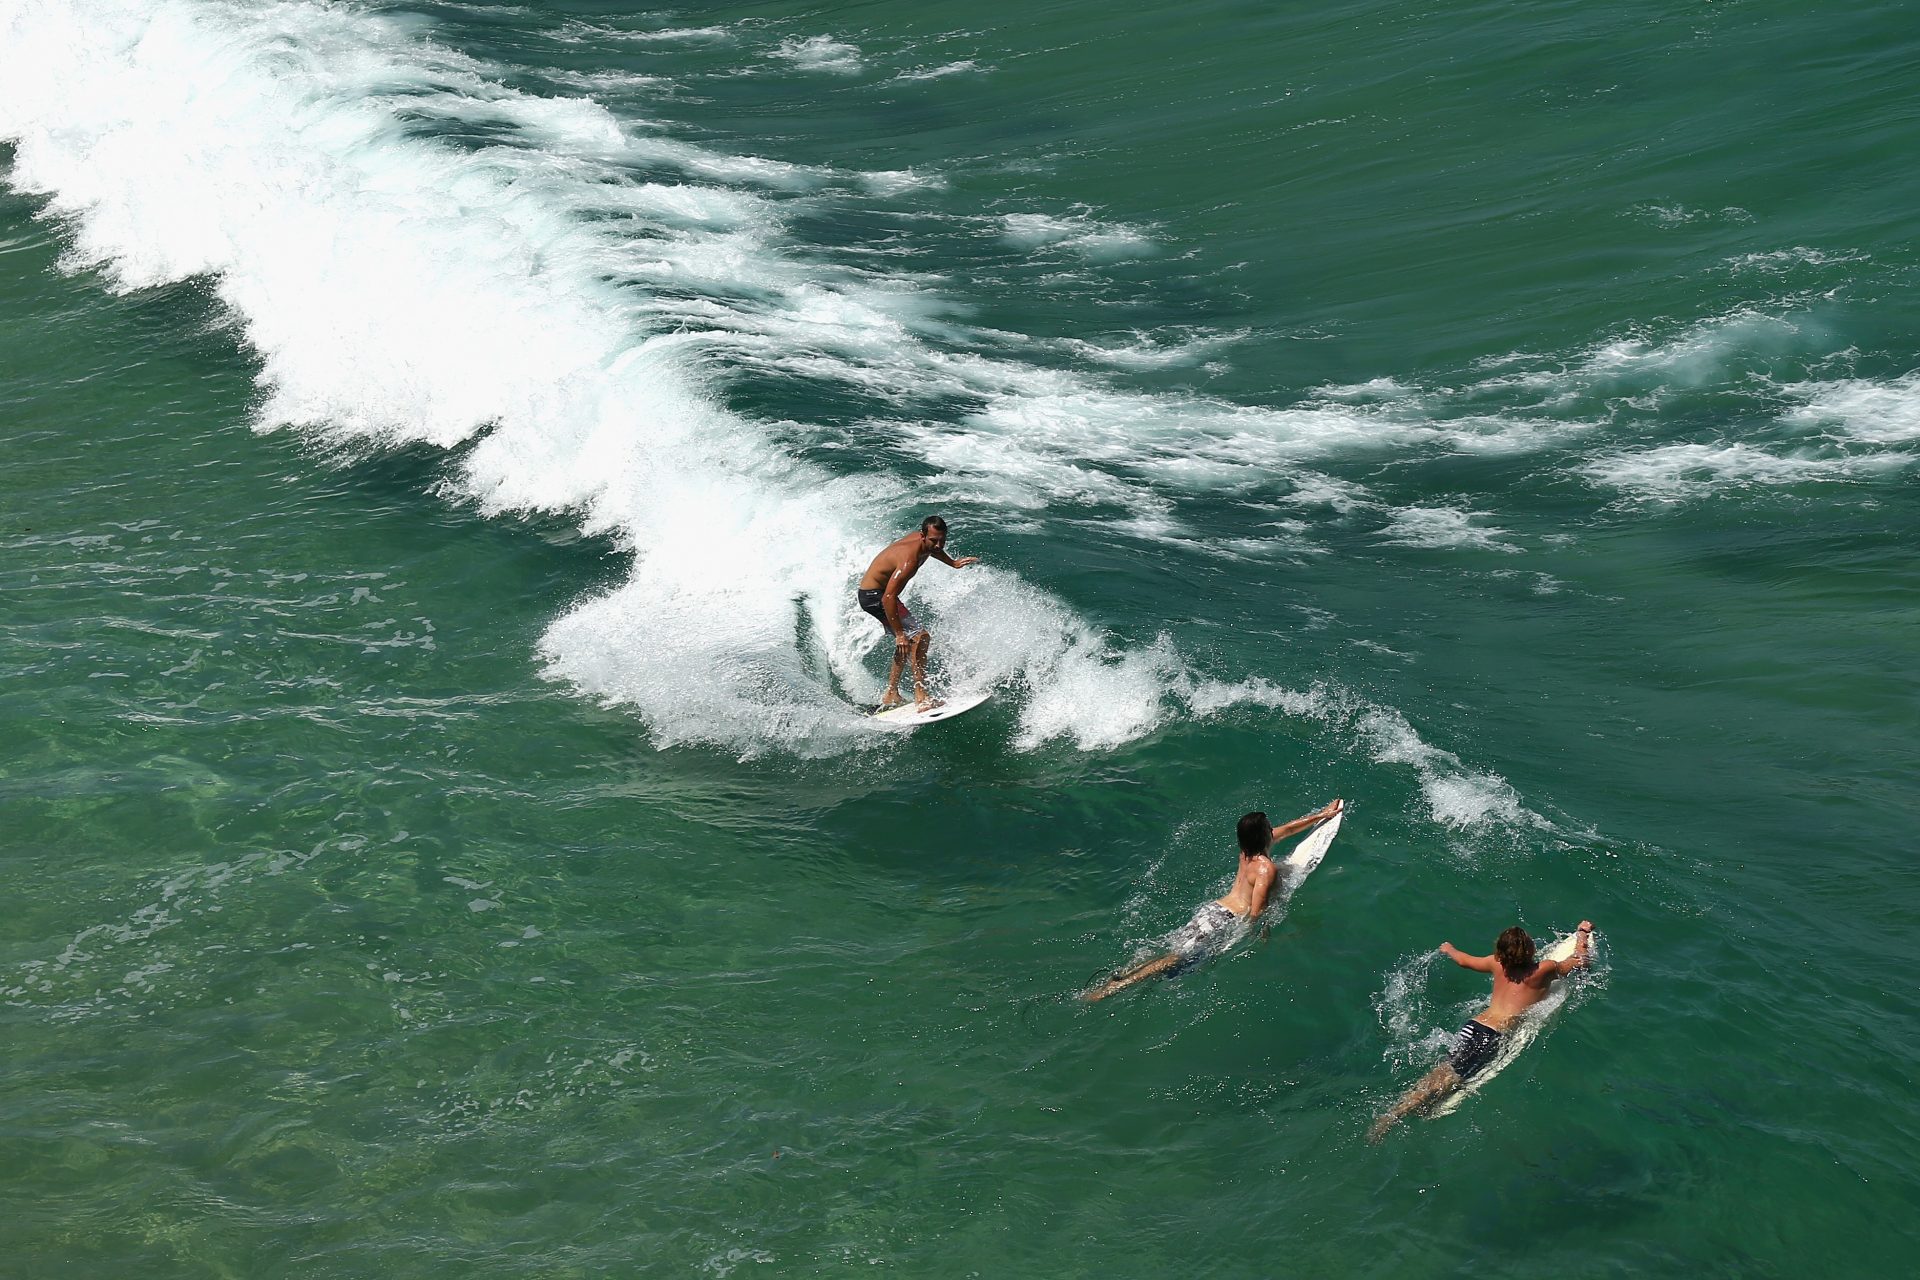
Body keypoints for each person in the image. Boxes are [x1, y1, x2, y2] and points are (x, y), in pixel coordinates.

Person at [1083, 800, 1344, 1001]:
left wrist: (1322, 815)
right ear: (1264, 835)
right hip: (1223, 922)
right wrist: (1261, 934)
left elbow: (1287, 829)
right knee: (1175, 959)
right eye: (1269, 827)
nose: (1273, 829)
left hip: (1212, 911)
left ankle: (1122, 976)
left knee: (1174, 949)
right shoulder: (1265, 868)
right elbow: (1257, 909)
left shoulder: (1247, 852)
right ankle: (1115, 988)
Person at [1367, 920, 1594, 1142]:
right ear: (1531, 950)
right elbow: (1580, 961)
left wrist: (1449, 949)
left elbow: (1465, 961)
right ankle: (1394, 1115)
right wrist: (1582, 933)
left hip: (1473, 1026)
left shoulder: (1496, 964)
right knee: (1446, 1079)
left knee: (1444, 1071)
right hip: (1491, 1036)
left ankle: (1405, 1106)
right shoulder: (1544, 969)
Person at [856, 515, 978, 711]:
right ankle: (921, 696)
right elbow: (888, 598)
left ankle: (891, 694)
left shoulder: (925, 543)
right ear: (922, 536)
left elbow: (933, 551)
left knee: (911, 641)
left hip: (877, 595)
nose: (939, 545)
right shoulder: (909, 561)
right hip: (875, 597)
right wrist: (899, 634)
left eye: (942, 540)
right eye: (933, 540)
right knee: (920, 637)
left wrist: (953, 563)